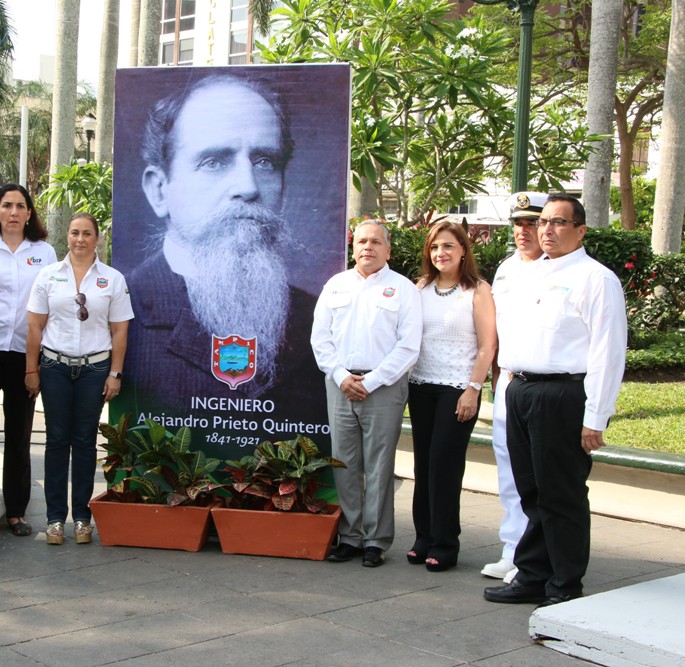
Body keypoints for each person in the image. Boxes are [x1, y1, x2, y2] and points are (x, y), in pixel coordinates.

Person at [125, 73, 325, 410]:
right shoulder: (125, 309)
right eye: (214, 161)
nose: (248, 186)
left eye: (265, 161)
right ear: (160, 190)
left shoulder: (315, 319)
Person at [484, 193, 627, 607]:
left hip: (562, 394)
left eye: (558, 222)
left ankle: (565, 582)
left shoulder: (595, 279)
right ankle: (533, 573)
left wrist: (595, 416)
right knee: (530, 490)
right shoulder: (527, 273)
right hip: (521, 389)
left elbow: (607, 350)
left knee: (560, 493)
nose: (546, 229)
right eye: (543, 222)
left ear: (580, 230)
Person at [311, 220, 421, 567]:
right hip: (339, 384)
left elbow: (408, 347)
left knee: (378, 466)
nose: (367, 247)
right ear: (353, 247)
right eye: (361, 241)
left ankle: (376, 540)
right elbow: (320, 339)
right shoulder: (336, 285)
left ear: (388, 250)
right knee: (344, 464)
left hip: (384, 388)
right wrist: (342, 376)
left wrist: (371, 381)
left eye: (376, 242)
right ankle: (350, 537)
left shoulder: (403, 289)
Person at [26, 213, 134, 545]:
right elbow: (34, 327)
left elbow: (120, 330)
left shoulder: (112, 279)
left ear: (97, 239)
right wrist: (32, 369)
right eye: (74, 233)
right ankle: (56, 519)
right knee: (57, 441)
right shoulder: (48, 276)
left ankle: (83, 519)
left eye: (87, 233)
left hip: (94, 370)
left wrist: (115, 373)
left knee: (85, 443)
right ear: (67, 237)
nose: (80, 239)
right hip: (55, 368)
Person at [0, 184, 57, 536]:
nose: (14, 212)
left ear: (30, 213)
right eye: (7, 206)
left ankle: (16, 510)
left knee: (19, 433)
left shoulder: (44, 252)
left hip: (27, 353)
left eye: (21, 206)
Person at [407, 221, 496, 571]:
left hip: (458, 389)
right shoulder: (420, 288)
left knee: (445, 465)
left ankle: (445, 543)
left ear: (462, 250)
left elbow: (488, 346)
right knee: (423, 464)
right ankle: (422, 537)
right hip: (421, 386)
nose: (440, 253)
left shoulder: (477, 290)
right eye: (434, 248)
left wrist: (473, 390)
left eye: (447, 246)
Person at [481, 191, 546, 582]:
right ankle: (514, 548)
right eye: (518, 224)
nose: (523, 231)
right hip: (508, 381)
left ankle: (539, 554)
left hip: (544, 386)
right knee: (509, 469)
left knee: (540, 473)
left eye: (532, 223)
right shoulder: (506, 269)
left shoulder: (559, 270)